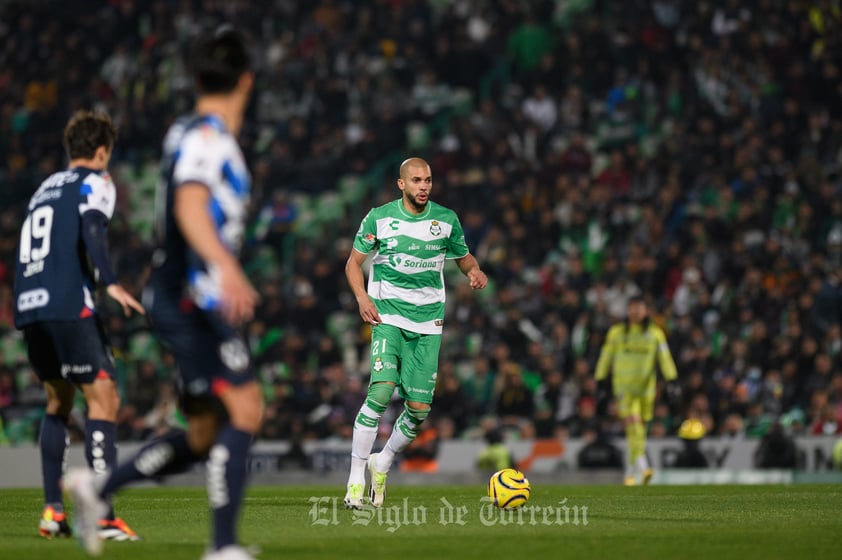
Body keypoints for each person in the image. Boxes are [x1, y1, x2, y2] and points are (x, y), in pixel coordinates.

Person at [64, 26, 262, 560]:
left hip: (181, 294)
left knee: (202, 435)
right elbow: (190, 206)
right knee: (245, 407)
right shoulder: (207, 140)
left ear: (196, 79)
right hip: (189, 296)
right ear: (247, 80)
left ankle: (97, 489)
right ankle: (223, 548)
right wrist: (227, 267)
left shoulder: (185, 132)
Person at [12, 110, 144, 541]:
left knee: (57, 403)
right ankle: (103, 516)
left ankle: (53, 512)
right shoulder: (97, 182)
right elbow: (91, 228)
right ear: (102, 151)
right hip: (70, 304)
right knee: (103, 396)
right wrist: (111, 282)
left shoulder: (42, 190)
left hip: (30, 307)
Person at [344, 157, 488, 508]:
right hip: (388, 317)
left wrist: (474, 269)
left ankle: (385, 459)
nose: (424, 186)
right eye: (417, 180)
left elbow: (463, 258)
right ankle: (354, 482)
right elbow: (353, 262)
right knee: (379, 394)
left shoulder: (446, 220)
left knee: (419, 409)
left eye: (428, 180)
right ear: (401, 184)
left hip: (428, 323)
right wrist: (363, 297)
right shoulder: (379, 217)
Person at [594, 295, 678, 486]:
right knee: (634, 424)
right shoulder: (617, 333)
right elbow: (605, 357)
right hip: (623, 387)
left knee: (640, 429)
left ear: (646, 311)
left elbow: (664, 357)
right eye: (631, 307)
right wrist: (600, 380)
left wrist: (672, 379)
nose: (635, 311)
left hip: (646, 389)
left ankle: (629, 472)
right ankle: (643, 465)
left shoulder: (655, 333)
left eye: (639, 308)